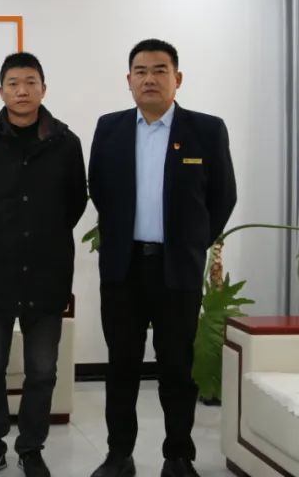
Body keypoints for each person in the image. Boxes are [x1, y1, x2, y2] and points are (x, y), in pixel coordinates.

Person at [88, 39, 236, 477]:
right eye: (140, 71)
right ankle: (119, 455)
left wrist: (191, 243)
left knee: (176, 366)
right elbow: (99, 189)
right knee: (122, 365)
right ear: (129, 80)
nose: (149, 79)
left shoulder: (206, 130)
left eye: (159, 70)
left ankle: (178, 456)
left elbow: (223, 197)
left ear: (178, 78)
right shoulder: (110, 128)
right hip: (124, 267)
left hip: (177, 269)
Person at [0, 52, 87, 477]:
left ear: (43, 89)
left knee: (42, 370)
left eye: (30, 82)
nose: (22, 90)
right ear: (0, 91)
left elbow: (75, 202)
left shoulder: (66, 143)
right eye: (13, 83)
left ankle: (31, 447)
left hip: (48, 275)